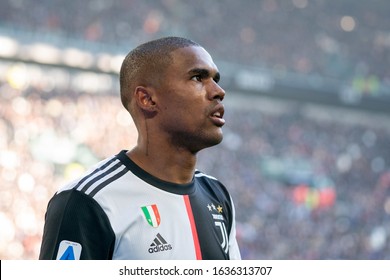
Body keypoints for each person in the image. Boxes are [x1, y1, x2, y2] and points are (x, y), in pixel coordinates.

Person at [39, 36, 241, 260]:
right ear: (147, 99)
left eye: (215, 79)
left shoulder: (217, 195)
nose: (218, 91)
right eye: (197, 77)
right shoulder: (86, 201)